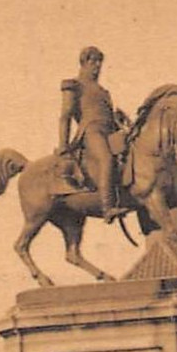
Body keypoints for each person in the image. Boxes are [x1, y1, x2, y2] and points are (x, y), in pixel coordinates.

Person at [57, 46, 130, 223]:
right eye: (94, 61)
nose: (98, 66)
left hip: (110, 131)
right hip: (90, 131)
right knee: (106, 159)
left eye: (100, 62)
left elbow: (109, 117)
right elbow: (65, 115)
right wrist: (63, 146)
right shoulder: (74, 85)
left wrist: (120, 119)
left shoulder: (104, 91)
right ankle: (107, 207)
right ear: (84, 62)